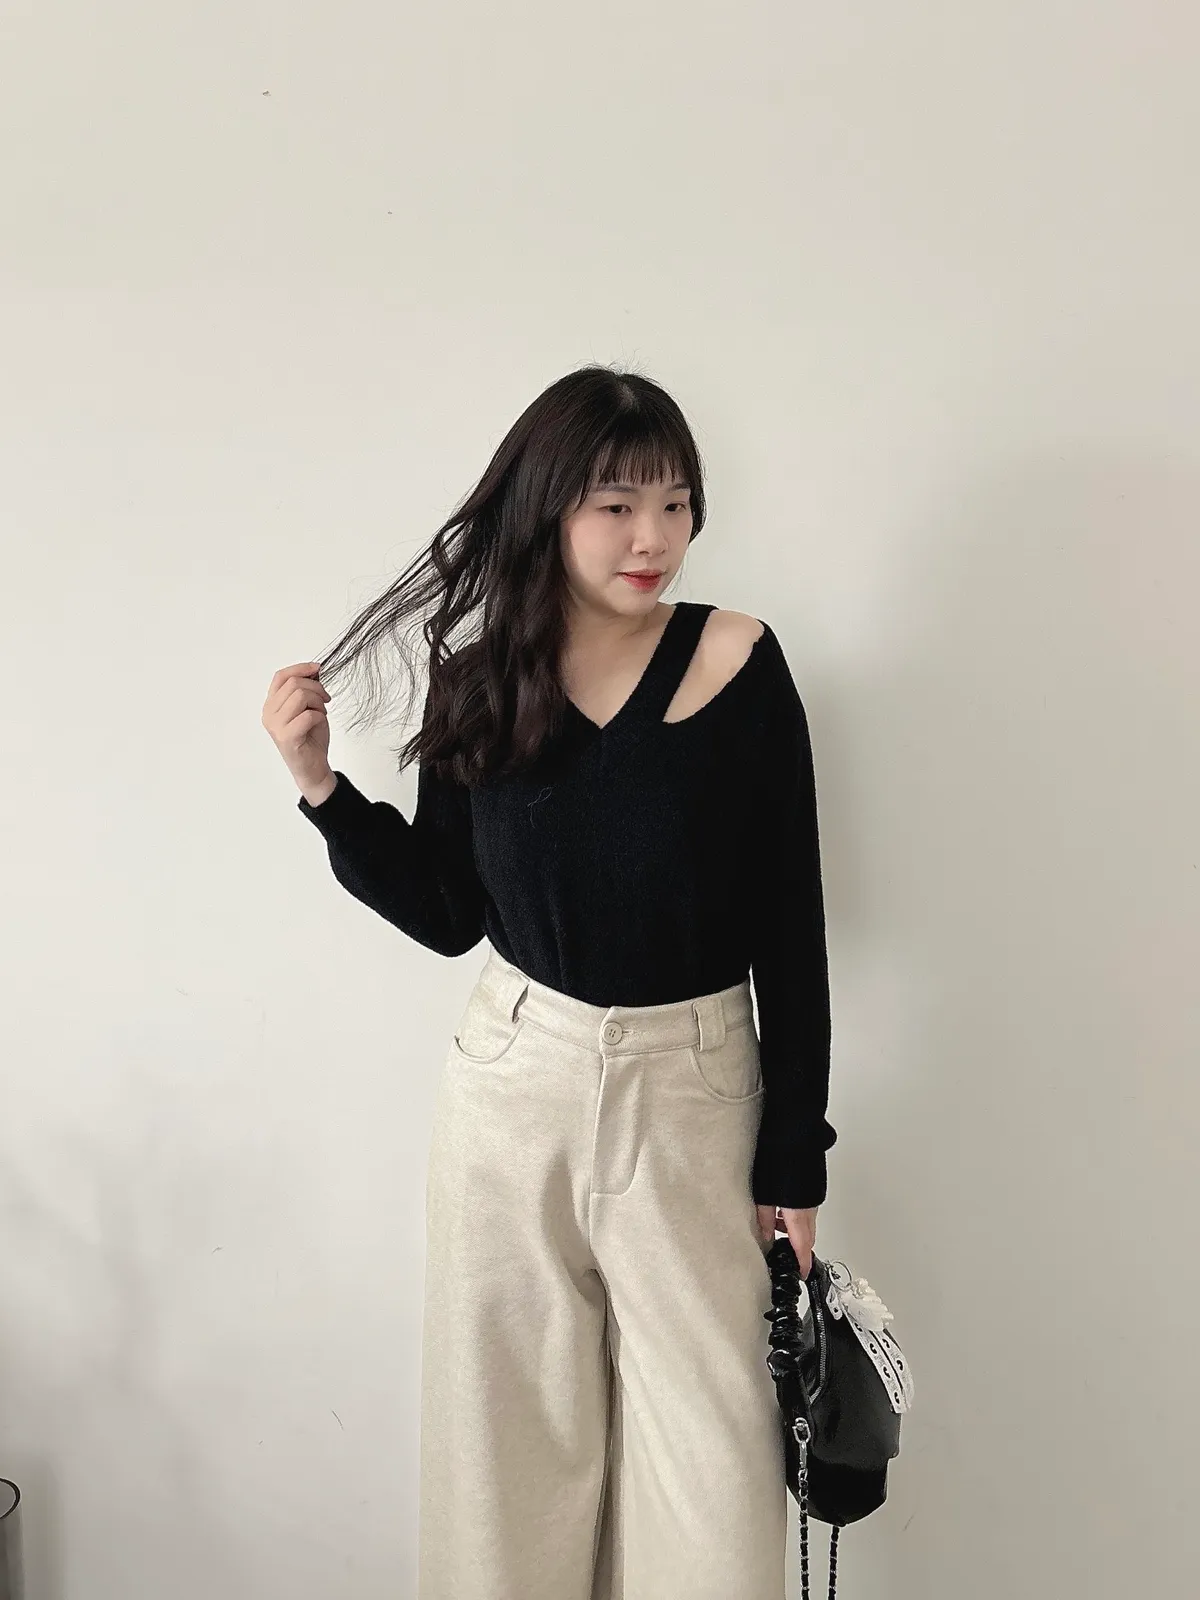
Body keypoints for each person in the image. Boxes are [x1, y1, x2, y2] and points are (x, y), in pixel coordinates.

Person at [260, 364, 836, 1600]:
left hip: (695, 1092)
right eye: (616, 506)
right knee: (503, 1461)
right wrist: (322, 788)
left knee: (713, 1465)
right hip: (514, 1083)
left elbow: (792, 921)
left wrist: (796, 1156)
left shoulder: (738, 661)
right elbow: (450, 912)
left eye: (675, 504)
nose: (652, 538)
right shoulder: (483, 678)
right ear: (549, 509)